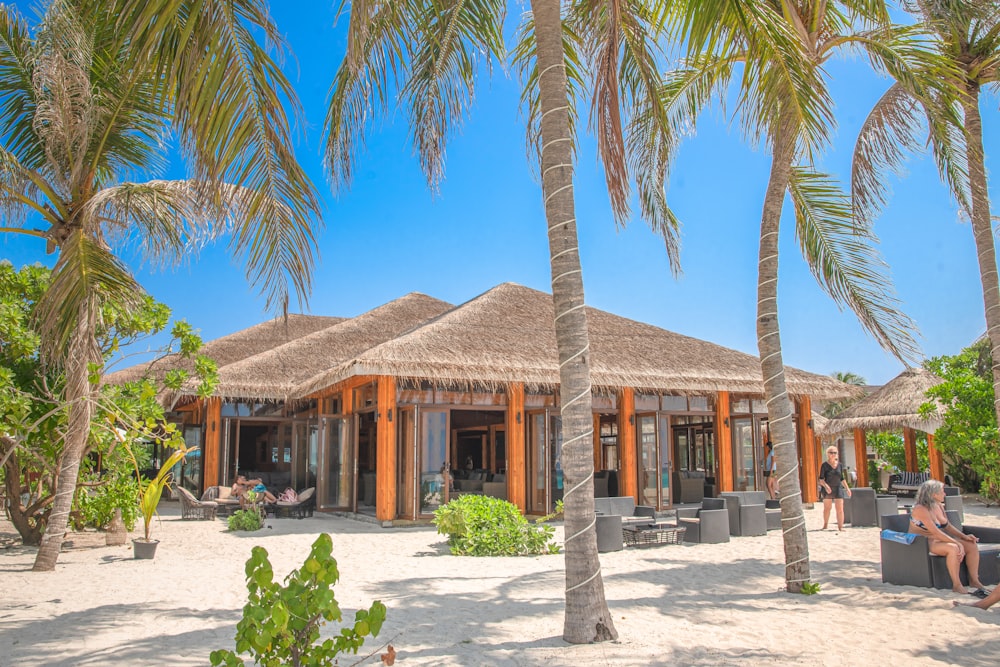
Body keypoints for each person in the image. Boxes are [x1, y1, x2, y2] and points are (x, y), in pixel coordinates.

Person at [911, 479, 987, 597]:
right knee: (953, 548)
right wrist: (958, 544)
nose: (944, 494)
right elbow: (935, 532)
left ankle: (974, 580)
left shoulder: (939, 506)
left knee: (971, 544)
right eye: (942, 491)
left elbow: (947, 526)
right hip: (923, 542)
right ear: (933, 494)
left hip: (938, 539)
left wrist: (964, 537)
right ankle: (956, 584)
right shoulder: (920, 509)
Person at [818, 446, 852, 531]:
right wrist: (826, 486)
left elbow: (842, 478)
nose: (833, 454)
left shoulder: (840, 465)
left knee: (840, 508)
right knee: (827, 508)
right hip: (827, 488)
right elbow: (821, 479)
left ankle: (840, 527)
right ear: (827, 454)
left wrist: (847, 488)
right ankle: (825, 524)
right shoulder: (824, 465)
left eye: (835, 453)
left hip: (838, 488)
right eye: (831, 453)